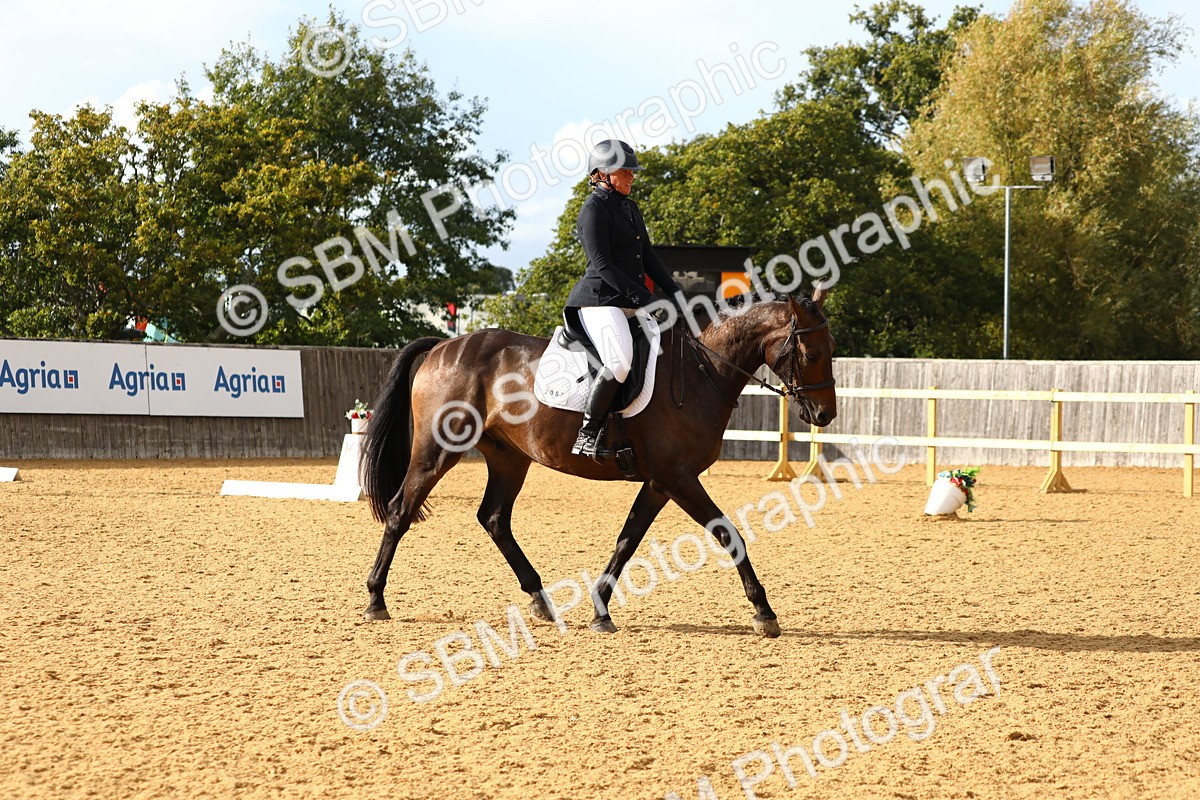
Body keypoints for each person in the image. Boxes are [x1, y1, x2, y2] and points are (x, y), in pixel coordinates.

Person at [563, 139, 683, 460]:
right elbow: (603, 266)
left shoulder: (629, 208)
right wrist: (645, 299)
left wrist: (676, 294)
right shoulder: (593, 210)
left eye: (632, 171)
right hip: (599, 301)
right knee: (618, 363)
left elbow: (649, 258)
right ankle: (587, 436)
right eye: (625, 171)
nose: (631, 176)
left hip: (628, 301)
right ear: (602, 174)